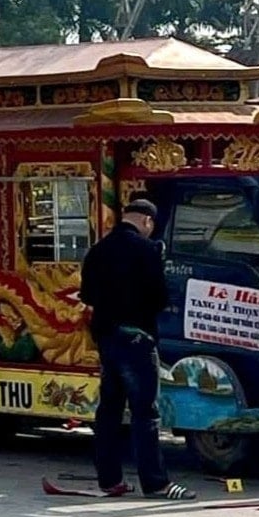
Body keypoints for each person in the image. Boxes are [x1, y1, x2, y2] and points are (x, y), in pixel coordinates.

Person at [79, 198, 196, 500]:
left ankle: (110, 480)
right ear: (147, 221)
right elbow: (159, 297)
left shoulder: (98, 250)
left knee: (109, 410)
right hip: (138, 339)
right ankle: (156, 483)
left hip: (107, 338)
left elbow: (87, 295)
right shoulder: (148, 251)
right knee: (146, 413)